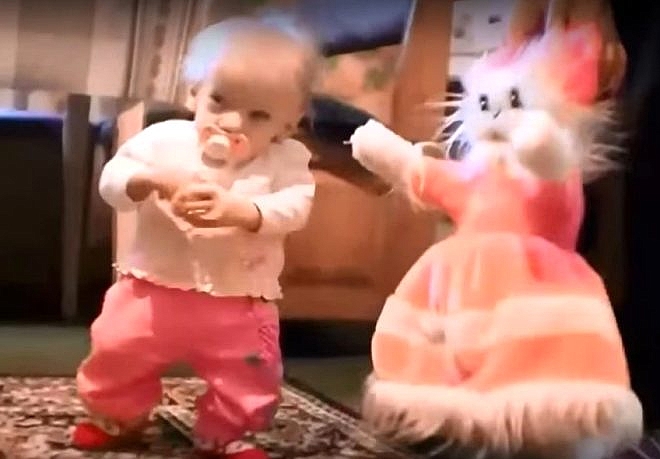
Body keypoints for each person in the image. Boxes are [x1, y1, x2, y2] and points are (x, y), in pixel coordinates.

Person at [71, 14, 320, 459]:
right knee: (117, 350)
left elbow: (296, 207)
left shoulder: (288, 160)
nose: (232, 122)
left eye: (259, 114)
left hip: (240, 300)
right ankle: (117, 416)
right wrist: (152, 180)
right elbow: (112, 181)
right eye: (219, 101)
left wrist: (243, 212)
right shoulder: (163, 140)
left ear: (288, 123)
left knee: (250, 372)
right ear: (193, 93)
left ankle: (226, 431)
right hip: (151, 289)